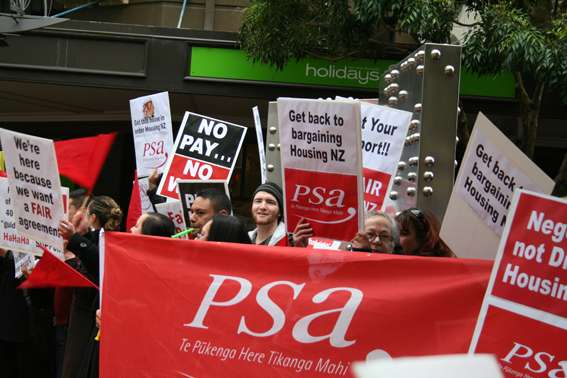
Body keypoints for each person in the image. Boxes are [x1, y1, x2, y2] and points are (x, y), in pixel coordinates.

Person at [58, 195, 123, 378]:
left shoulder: (114, 242)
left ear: (93, 218)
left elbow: (98, 264)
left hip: (91, 317)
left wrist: (74, 239)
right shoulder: (93, 238)